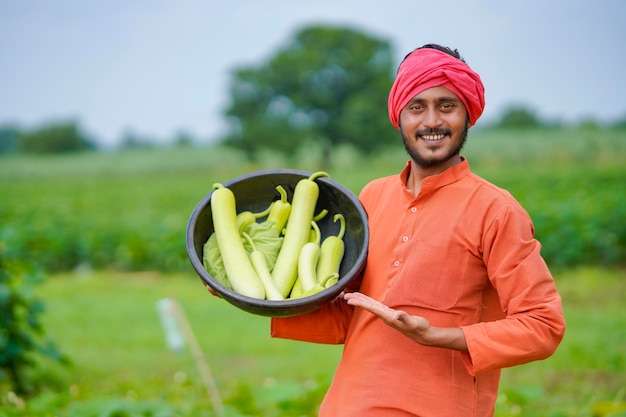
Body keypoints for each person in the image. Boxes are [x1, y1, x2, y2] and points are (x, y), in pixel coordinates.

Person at [270, 44, 566, 416]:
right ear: (399, 116)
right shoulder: (372, 197)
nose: (431, 121)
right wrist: (251, 295)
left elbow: (543, 325)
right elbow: (352, 315)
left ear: (467, 116)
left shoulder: (496, 210)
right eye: (417, 106)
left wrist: (439, 336)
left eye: (446, 106)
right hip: (349, 405)